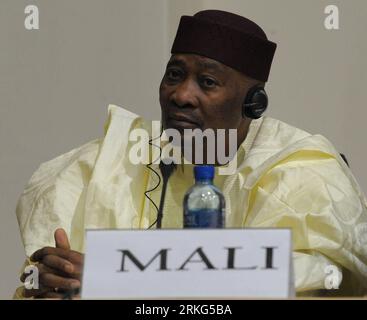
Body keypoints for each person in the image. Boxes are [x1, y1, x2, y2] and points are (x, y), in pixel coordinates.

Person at [15, 10, 367, 298]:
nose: (180, 95)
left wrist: (114, 280)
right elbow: (32, 276)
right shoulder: (111, 159)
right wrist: (47, 281)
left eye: (208, 82)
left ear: (253, 103)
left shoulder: (297, 169)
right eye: (175, 74)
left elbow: (299, 278)